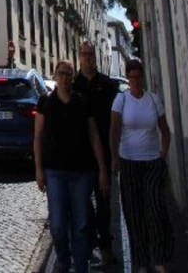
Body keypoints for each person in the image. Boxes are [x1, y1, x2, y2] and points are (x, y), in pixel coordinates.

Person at [35, 59, 109, 273]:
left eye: (68, 74)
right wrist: (39, 169)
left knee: (81, 224)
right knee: (57, 225)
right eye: (61, 73)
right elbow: (37, 137)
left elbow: (94, 137)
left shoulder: (82, 102)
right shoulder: (45, 104)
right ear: (55, 76)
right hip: (54, 173)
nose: (65, 78)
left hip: (81, 173)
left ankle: (80, 265)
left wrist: (102, 169)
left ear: (73, 77)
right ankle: (63, 258)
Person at [110, 59, 173, 273]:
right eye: (132, 77)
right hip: (129, 163)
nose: (135, 81)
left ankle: (160, 259)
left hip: (152, 163)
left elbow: (165, 130)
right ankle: (141, 262)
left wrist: (163, 155)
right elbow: (114, 130)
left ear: (143, 77)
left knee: (156, 211)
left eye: (139, 76)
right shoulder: (121, 100)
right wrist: (115, 157)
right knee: (134, 215)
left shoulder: (154, 100)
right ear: (128, 78)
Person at [74, 41, 119, 267]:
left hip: (106, 154)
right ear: (79, 57)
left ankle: (107, 248)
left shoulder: (108, 85)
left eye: (91, 54)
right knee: (83, 206)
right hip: (81, 157)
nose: (88, 58)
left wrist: (116, 155)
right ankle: (90, 246)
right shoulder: (73, 86)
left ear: (96, 57)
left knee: (104, 206)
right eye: (84, 54)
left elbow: (116, 121)